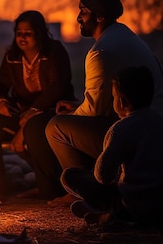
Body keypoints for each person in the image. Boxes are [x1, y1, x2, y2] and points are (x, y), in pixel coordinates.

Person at [45, 0, 163, 207]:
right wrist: (79, 106)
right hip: (154, 126)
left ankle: (86, 191)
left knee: (56, 127)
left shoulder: (100, 52)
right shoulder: (126, 36)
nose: (78, 17)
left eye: (83, 11)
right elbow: (105, 100)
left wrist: (75, 113)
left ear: (99, 17)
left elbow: (94, 110)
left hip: (137, 136)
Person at [0, 10, 75, 200]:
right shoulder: (12, 56)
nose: (22, 37)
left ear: (39, 33)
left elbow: (56, 87)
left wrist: (32, 112)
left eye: (28, 33)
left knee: (32, 129)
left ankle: (48, 189)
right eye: (19, 32)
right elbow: (1, 86)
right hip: (22, 111)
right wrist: (2, 102)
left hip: (51, 110)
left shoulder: (53, 52)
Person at [61, 66, 163, 227]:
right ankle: (104, 213)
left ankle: (110, 215)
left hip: (131, 203)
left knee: (69, 175)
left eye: (113, 96)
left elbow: (102, 176)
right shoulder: (159, 121)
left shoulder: (121, 128)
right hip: (159, 205)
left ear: (122, 101)